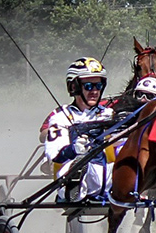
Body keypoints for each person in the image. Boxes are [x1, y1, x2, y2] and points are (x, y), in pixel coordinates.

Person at [41, 57, 119, 202]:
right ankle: (73, 188)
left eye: (99, 86)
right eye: (89, 86)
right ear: (74, 87)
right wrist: (72, 149)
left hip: (108, 178)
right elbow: (54, 155)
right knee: (80, 164)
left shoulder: (110, 114)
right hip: (74, 178)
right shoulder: (61, 117)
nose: (95, 91)